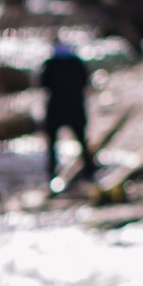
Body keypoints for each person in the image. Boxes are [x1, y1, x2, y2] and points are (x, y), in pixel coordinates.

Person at [39, 37, 92, 188]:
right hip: (75, 106)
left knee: (52, 144)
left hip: (55, 108)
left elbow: (44, 84)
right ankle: (88, 169)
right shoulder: (77, 63)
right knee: (81, 140)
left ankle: (52, 172)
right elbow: (85, 82)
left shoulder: (50, 64)